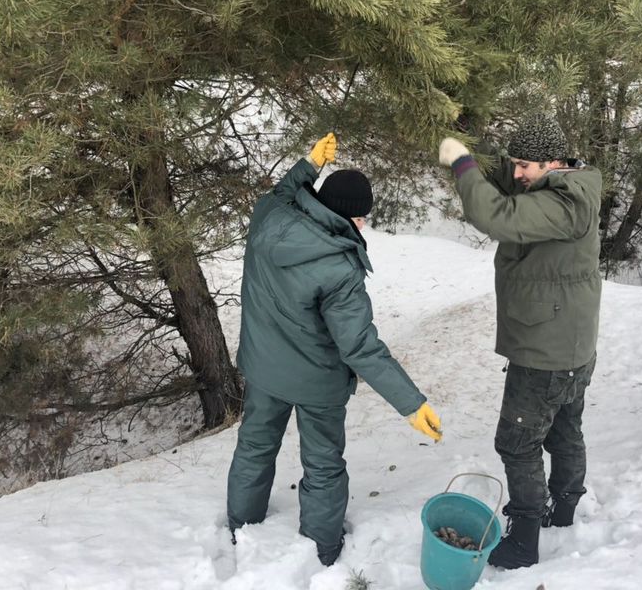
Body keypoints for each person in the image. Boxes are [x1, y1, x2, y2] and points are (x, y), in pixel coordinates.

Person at [227, 133, 442, 567]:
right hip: (316, 383)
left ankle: (241, 524)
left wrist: (309, 165)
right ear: (353, 218)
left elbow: (282, 192)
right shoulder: (339, 266)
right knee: (323, 464)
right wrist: (411, 403)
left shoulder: (269, 216)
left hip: (264, 368)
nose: (363, 226)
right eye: (363, 218)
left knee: (253, 446)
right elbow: (361, 346)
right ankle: (323, 548)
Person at [437, 113, 602, 571]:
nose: (517, 174)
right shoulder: (564, 185)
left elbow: (496, 214)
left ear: (554, 162)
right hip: (568, 342)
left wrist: (463, 163)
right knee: (565, 429)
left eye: (526, 165)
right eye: (514, 163)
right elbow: (510, 187)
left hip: (545, 350)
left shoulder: (564, 204)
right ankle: (564, 509)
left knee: (517, 442)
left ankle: (525, 539)